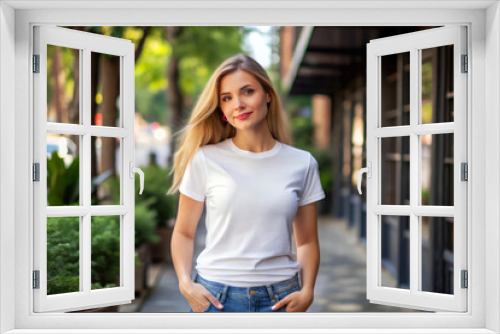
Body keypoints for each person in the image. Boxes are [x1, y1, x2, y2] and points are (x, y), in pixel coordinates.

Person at [167, 54, 326, 313]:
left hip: (281, 300)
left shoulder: (303, 163)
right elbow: (184, 232)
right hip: (216, 298)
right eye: (226, 98)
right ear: (220, 109)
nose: (238, 104)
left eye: (247, 92)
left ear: (268, 95)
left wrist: (307, 290)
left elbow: (307, 240)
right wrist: (185, 284)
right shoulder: (205, 159)